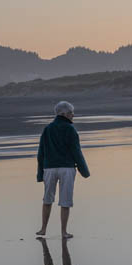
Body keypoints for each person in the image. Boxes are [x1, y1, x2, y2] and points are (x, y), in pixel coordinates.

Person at [36, 101, 90, 238]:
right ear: (64, 114)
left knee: (47, 199)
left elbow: (41, 152)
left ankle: (43, 229)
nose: (73, 115)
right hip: (67, 168)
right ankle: (63, 232)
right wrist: (84, 171)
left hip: (49, 168)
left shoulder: (47, 129)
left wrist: (40, 174)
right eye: (71, 112)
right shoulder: (70, 129)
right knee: (65, 201)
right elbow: (76, 151)